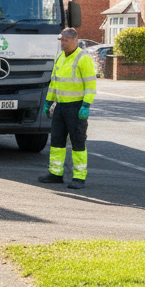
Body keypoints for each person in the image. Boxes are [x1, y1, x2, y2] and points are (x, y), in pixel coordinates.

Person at [38, 28, 96, 188]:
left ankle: (79, 177)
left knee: (78, 142)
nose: (63, 43)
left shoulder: (83, 59)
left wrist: (86, 105)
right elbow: (54, 83)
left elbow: (90, 85)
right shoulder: (60, 58)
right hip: (61, 106)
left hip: (76, 107)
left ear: (75, 40)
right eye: (61, 41)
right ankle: (55, 174)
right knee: (56, 141)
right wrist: (48, 102)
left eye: (66, 40)